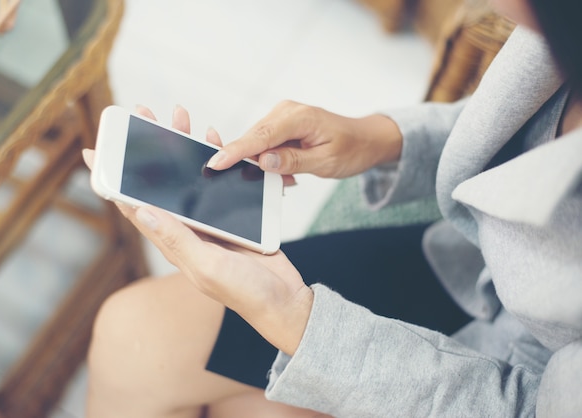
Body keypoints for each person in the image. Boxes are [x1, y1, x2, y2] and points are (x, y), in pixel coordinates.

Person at [82, 0, 582, 416]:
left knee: (245, 407)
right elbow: (527, 123)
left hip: (522, 386)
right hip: (465, 266)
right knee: (130, 331)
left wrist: (300, 326)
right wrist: (379, 138)